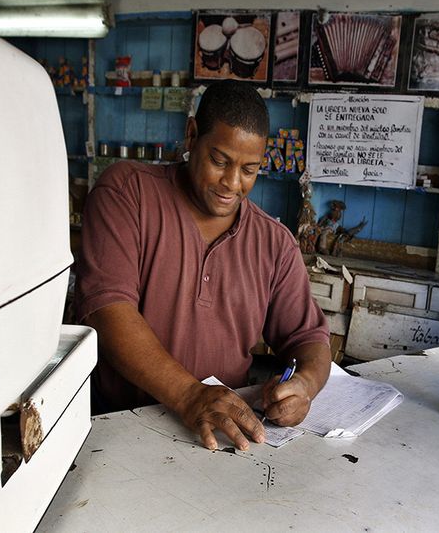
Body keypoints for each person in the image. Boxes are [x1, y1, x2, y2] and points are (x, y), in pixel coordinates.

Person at [75, 80, 331, 451]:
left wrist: (305, 384)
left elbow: (309, 340)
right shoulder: (127, 193)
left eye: (249, 170)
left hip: (219, 438)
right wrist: (190, 395)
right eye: (220, 161)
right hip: (118, 432)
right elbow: (107, 310)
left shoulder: (274, 243)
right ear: (192, 135)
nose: (232, 183)